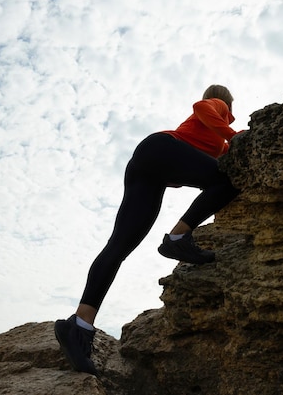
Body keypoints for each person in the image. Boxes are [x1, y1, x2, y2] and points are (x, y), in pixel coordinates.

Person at [54, 84, 241, 375]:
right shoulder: (216, 106)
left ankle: (79, 326)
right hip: (160, 150)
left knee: (118, 248)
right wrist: (233, 132)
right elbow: (201, 107)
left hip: (148, 166)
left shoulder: (217, 142)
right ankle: (178, 236)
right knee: (229, 180)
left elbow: (208, 161)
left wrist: (228, 144)